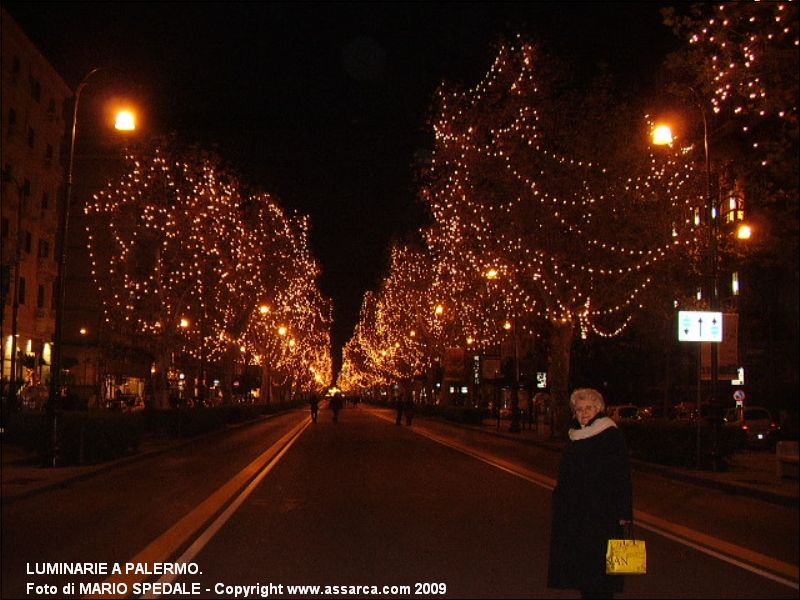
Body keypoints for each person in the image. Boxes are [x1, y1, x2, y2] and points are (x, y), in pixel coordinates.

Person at [547, 388, 633, 599]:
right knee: (583, 571)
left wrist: (623, 512)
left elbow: (621, 475)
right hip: (576, 515)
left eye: (588, 408)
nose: (583, 413)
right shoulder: (575, 435)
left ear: (598, 409)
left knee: (600, 574)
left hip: (602, 515)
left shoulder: (609, 434)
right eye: (579, 409)